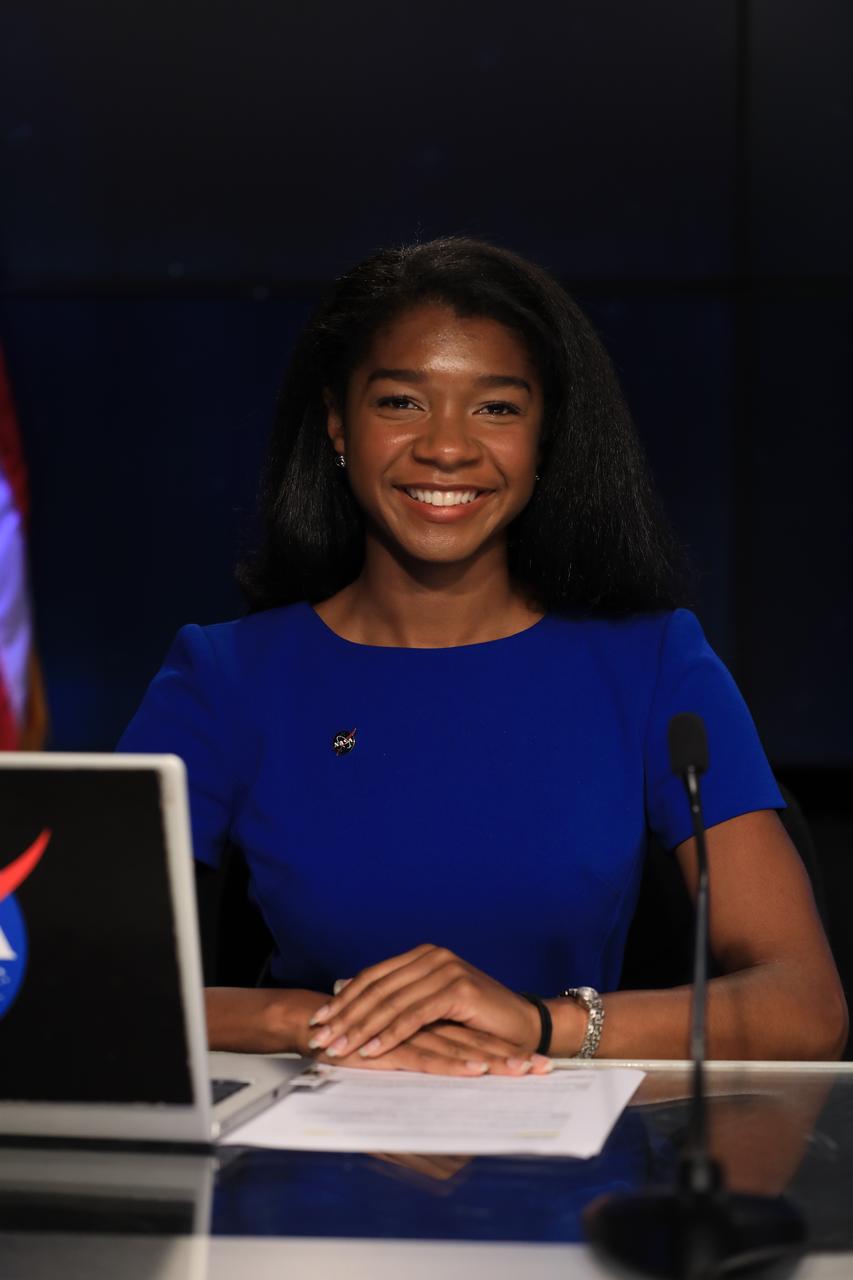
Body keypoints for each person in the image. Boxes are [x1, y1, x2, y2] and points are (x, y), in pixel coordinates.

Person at [119, 237, 847, 1072]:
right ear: (337, 423)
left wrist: (537, 1024)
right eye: (400, 402)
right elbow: (80, 982)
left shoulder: (652, 663)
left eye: (496, 408)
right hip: (307, 1132)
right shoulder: (224, 677)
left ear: (545, 439)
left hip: (571, 1140)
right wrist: (316, 1021)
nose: (447, 447)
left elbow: (806, 1008)